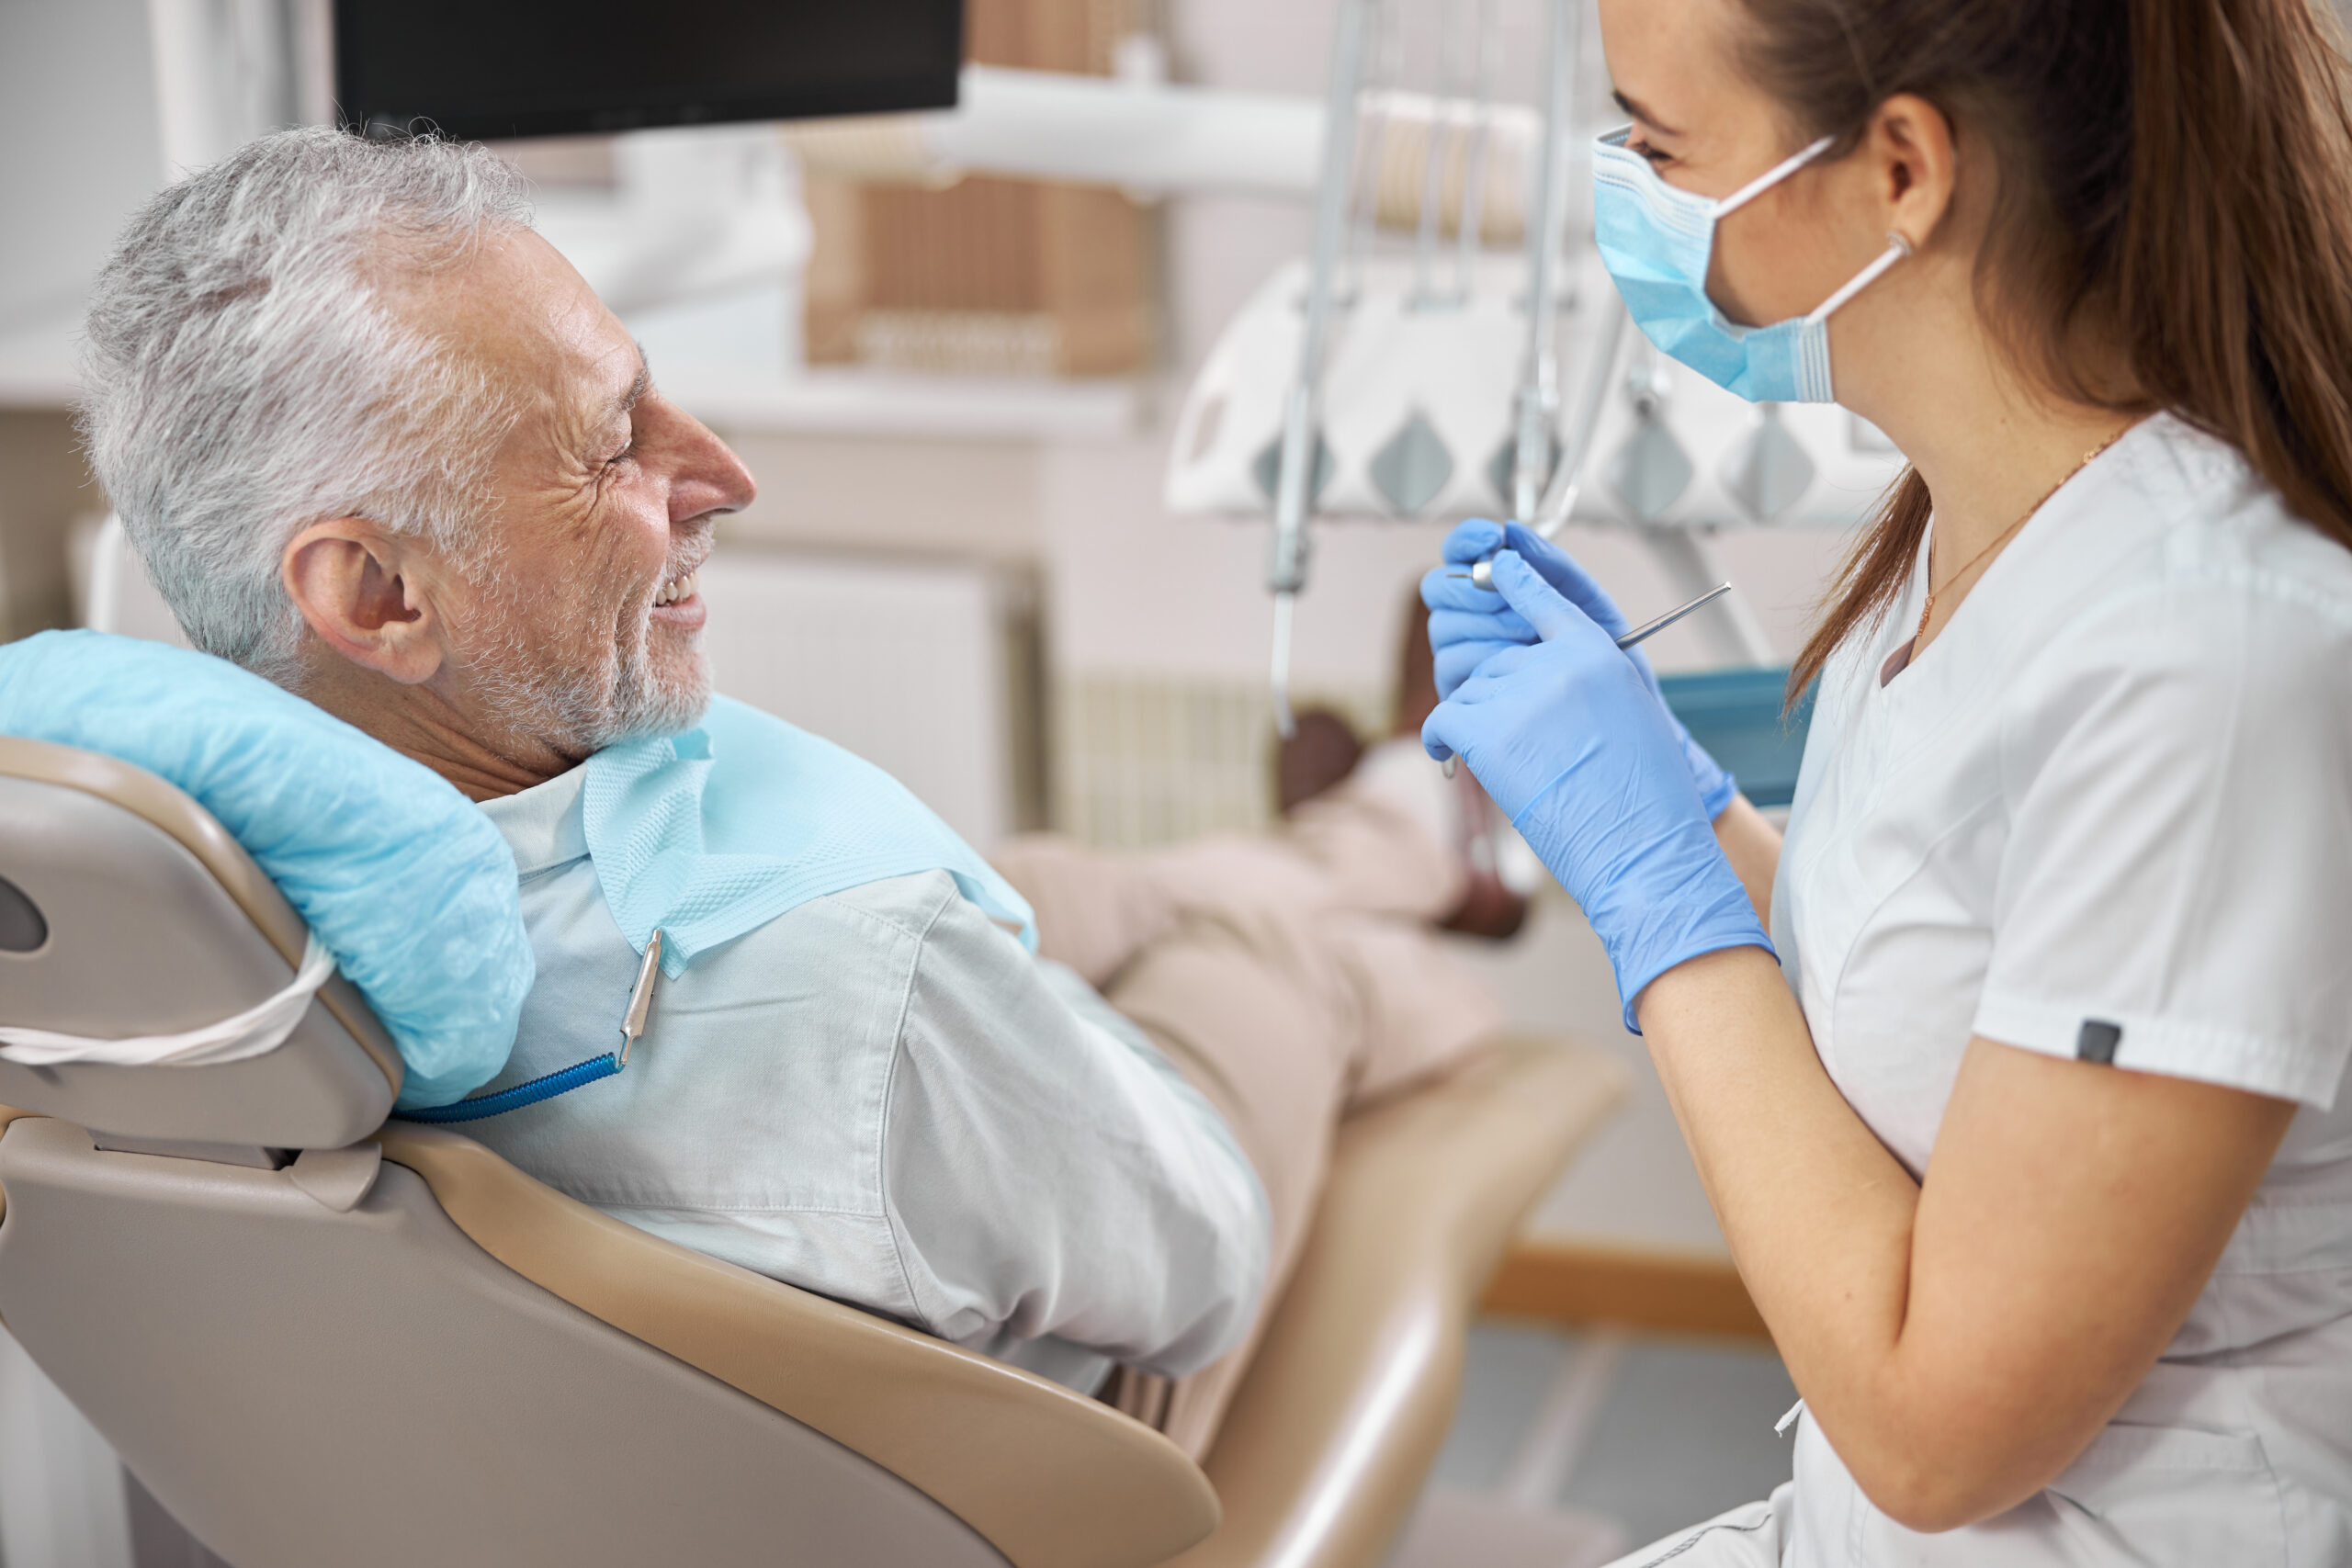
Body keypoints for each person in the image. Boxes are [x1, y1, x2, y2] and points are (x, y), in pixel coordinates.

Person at [76, 128, 1512, 1460]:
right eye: (612, 443)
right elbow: (1199, 1273)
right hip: (1040, 1457)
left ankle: (1405, 828)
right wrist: (1048, 1024)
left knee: (1072, 883)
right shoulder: (868, 991)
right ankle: (1409, 850)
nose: (724, 476)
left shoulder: (131, 918)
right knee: (1256, 946)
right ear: (378, 593)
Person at [1419, 0, 2352, 1561]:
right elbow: (1934, 981)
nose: (1624, 190)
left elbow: (1937, 1434)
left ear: (1903, 168)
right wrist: (1677, 799)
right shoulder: (1978, 513)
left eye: (1660, 144)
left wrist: (1656, 884)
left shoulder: (2212, 660)